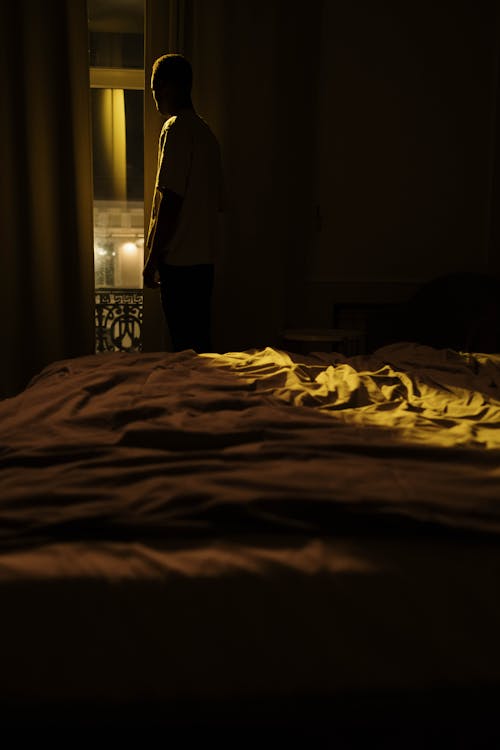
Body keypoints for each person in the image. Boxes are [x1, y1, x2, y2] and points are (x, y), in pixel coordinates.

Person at [143, 53, 224, 353]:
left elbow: (171, 197)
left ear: (171, 87)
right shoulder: (207, 135)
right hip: (204, 259)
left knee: (184, 347)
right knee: (200, 343)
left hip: (178, 260)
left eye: (156, 89)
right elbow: (216, 202)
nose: (156, 97)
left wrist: (153, 257)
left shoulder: (176, 129)